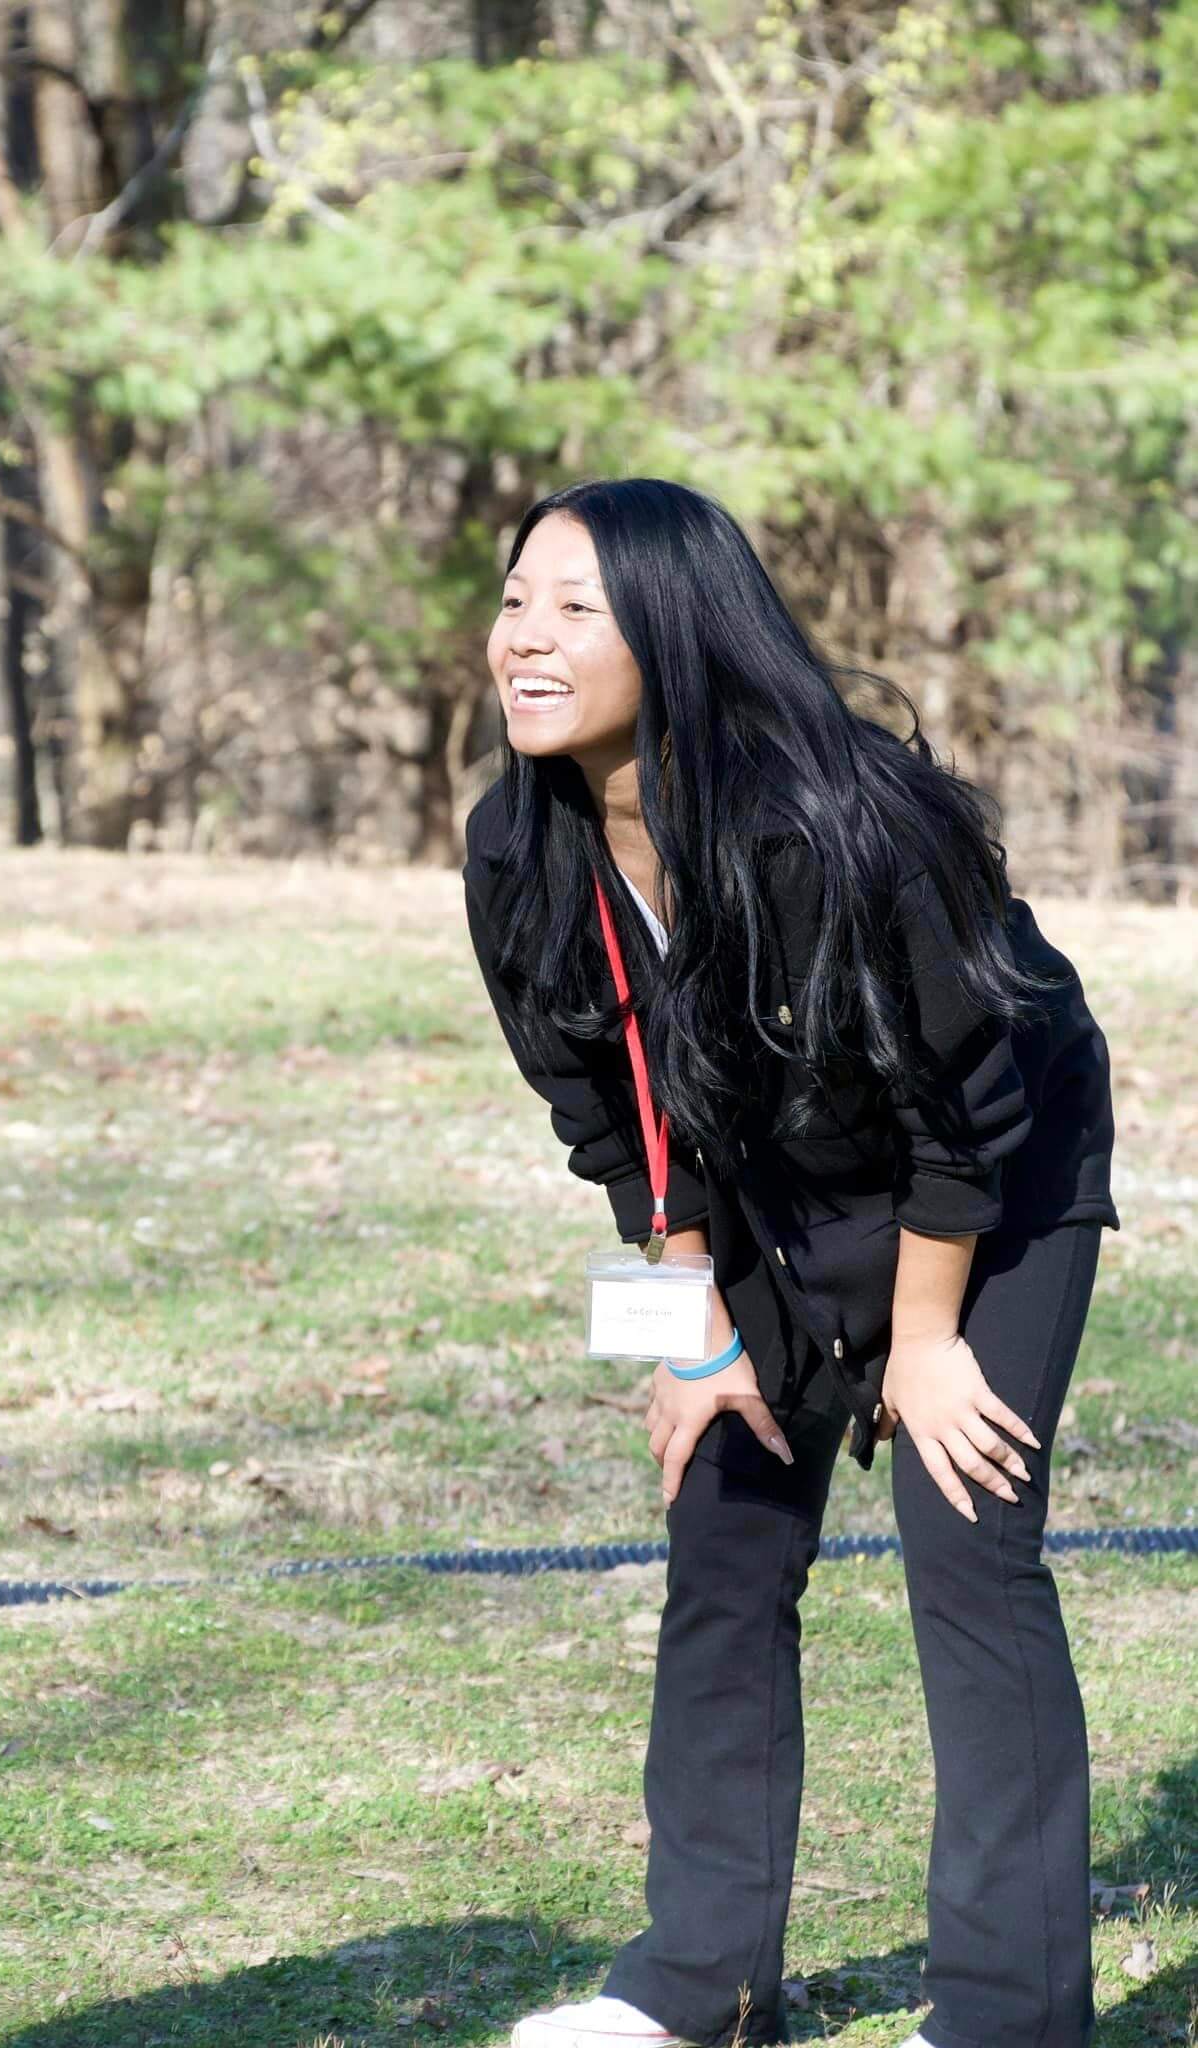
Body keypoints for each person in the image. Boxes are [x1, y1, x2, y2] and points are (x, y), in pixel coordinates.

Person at [460, 478, 1121, 2048]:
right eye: (514, 602)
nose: (525, 640)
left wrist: (921, 1344)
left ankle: (1008, 2017)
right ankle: (694, 1986)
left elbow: (959, 1112)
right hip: (760, 1184)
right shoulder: (516, 845)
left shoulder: (842, 822)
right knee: (724, 1532)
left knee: (968, 1547)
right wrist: (686, 1329)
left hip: (988, 1177)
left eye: (575, 610)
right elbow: (610, 1123)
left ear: (675, 634)